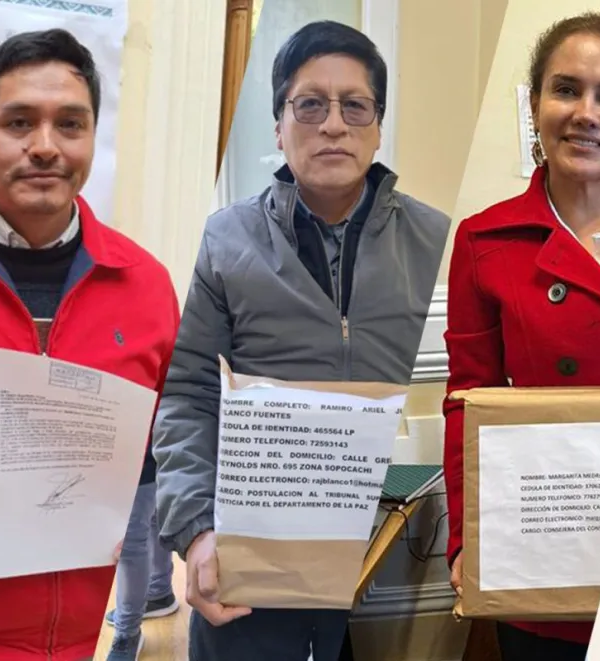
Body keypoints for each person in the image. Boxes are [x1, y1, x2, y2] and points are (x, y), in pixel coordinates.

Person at [152, 20, 450, 661]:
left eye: (355, 105)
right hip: (251, 568)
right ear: (280, 124)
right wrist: (197, 533)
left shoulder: (435, 239)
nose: (333, 125)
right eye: (310, 104)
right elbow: (185, 399)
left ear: (377, 123)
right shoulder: (222, 241)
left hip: (376, 556)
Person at [441, 10, 600, 661]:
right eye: (566, 89)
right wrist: (469, 537)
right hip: (542, 546)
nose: (586, 112)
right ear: (535, 105)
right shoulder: (484, 240)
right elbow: (465, 400)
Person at [0, 29, 180, 661]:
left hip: (75, 640)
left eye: (69, 124)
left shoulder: (146, 286)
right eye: (19, 122)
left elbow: (172, 447)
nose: (44, 147)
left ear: (92, 140)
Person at [103, 440, 180, 660]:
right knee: (154, 515)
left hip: (139, 440)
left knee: (129, 539)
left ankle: (127, 632)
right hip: (155, 435)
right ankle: (159, 591)